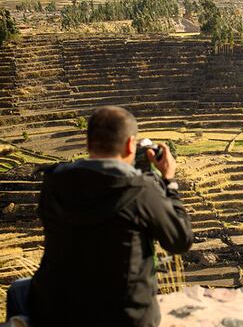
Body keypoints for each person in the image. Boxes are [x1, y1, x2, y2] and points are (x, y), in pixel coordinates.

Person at [4, 106, 193, 327]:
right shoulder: (142, 190)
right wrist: (168, 181)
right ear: (131, 144)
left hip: (57, 310)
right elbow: (180, 241)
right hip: (124, 316)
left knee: (18, 290)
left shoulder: (53, 182)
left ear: (88, 143)